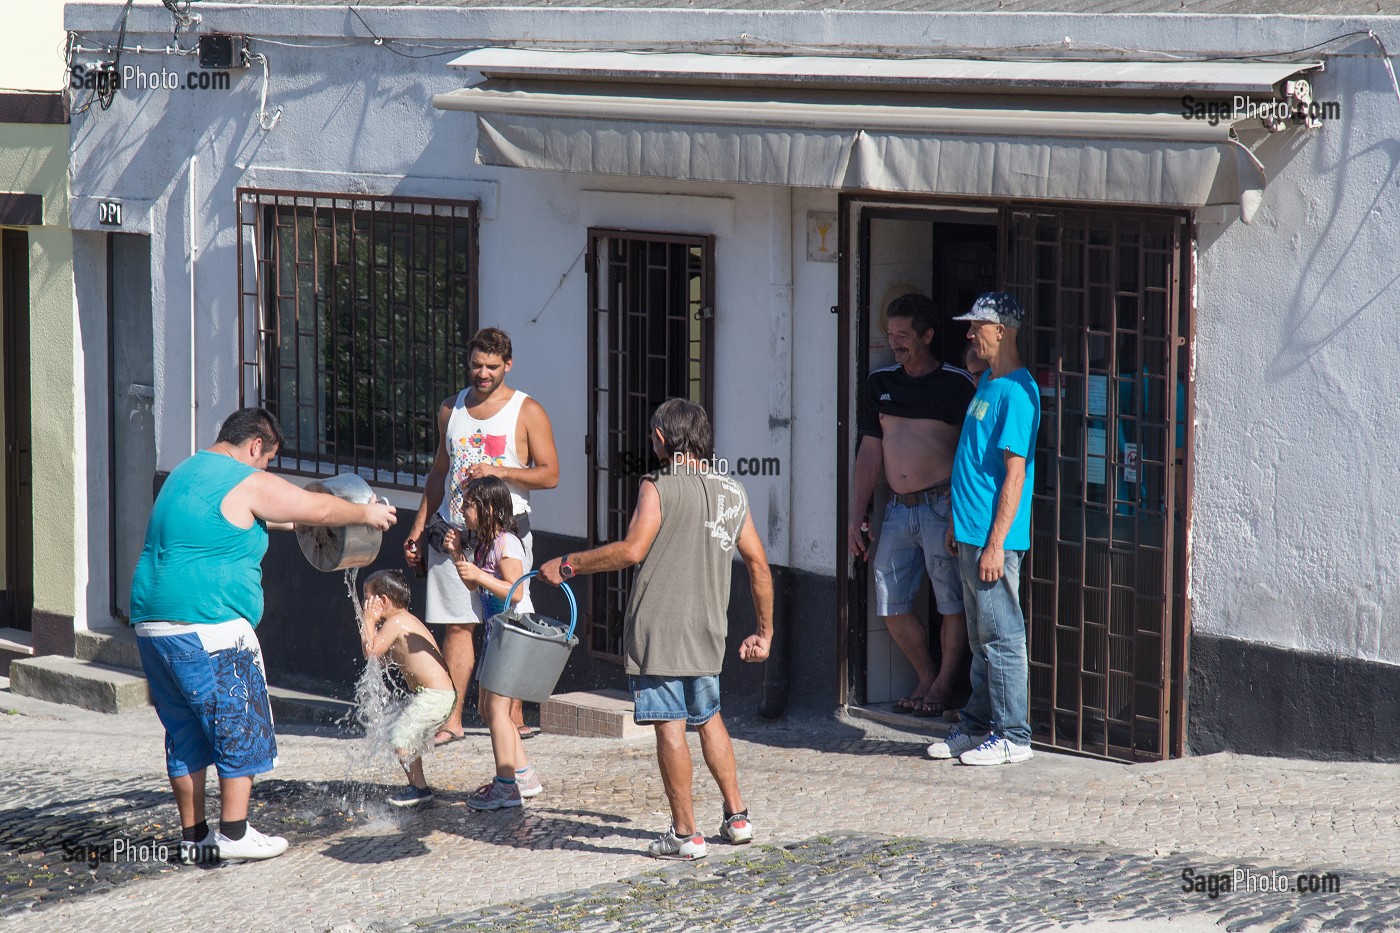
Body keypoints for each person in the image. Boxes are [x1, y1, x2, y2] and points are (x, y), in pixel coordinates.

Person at [129, 407, 397, 863]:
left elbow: (270, 516)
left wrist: (312, 521)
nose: (266, 469)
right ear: (256, 446)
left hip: (153, 626)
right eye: (267, 460)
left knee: (185, 733)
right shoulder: (244, 477)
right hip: (209, 624)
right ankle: (234, 834)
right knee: (240, 725)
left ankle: (194, 838)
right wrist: (365, 513)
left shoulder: (187, 473)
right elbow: (315, 505)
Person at [539, 399, 773, 861]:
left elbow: (631, 549)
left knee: (672, 726)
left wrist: (569, 564)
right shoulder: (733, 491)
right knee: (709, 719)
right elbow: (759, 565)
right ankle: (737, 817)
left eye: (653, 436)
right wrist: (764, 632)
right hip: (710, 629)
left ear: (663, 438)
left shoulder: (657, 485)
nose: (651, 442)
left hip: (662, 632)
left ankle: (686, 835)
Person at [402, 327, 559, 747]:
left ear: (508, 364)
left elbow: (550, 474)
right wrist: (418, 528)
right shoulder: (451, 409)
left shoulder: (527, 411)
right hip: (453, 531)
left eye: (492, 366)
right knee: (458, 627)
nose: (483, 374)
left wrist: (500, 472)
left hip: (505, 534)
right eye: (476, 365)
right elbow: (439, 472)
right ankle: (452, 719)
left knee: (511, 623)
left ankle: (512, 716)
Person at [849, 293, 977, 718]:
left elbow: (970, 455)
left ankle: (942, 686)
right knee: (890, 601)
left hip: (942, 506)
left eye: (903, 335)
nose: (895, 343)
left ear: (927, 335)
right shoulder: (880, 383)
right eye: (890, 335)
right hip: (898, 511)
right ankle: (925, 675)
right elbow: (870, 450)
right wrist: (856, 512)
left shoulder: (958, 383)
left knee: (951, 603)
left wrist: (960, 513)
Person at [928, 292, 1041, 766]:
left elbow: (1014, 473)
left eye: (978, 326)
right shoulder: (988, 385)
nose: (971, 333)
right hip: (972, 534)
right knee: (980, 638)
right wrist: (960, 522)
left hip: (993, 541)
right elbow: (973, 462)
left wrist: (995, 542)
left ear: (1002, 331)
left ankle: (1014, 735)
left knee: (1002, 637)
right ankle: (977, 726)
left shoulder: (1017, 391)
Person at [441, 476, 543, 809]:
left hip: (515, 631)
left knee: (498, 710)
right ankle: (523, 774)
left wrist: (481, 575)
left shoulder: (507, 543)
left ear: (487, 509)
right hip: (497, 632)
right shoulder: (485, 544)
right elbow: (475, 586)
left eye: (468, 505)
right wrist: (459, 555)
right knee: (488, 709)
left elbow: (517, 589)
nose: (463, 510)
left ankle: (506, 786)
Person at [359, 569, 456, 809]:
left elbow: (370, 653)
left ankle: (419, 789)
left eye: (368, 598)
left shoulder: (397, 621)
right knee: (406, 736)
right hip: (438, 696)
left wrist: (369, 621)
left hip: (435, 697)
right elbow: (380, 659)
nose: (365, 604)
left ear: (383, 601)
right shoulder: (402, 621)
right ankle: (418, 787)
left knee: (400, 736)